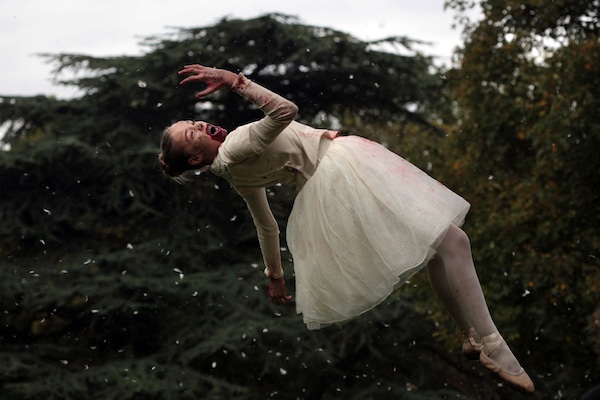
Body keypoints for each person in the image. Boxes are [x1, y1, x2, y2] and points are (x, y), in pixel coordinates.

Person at [158, 64, 535, 394]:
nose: (199, 125)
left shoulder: (230, 171)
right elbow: (285, 111)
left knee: (437, 248)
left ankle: (471, 335)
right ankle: (493, 344)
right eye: (192, 134)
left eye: (192, 123)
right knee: (454, 241)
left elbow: (266, 225)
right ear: (195, 158)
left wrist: (275, 274)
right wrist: (235, 81)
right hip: (343, 171)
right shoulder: (238, 144)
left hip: (331, 187)